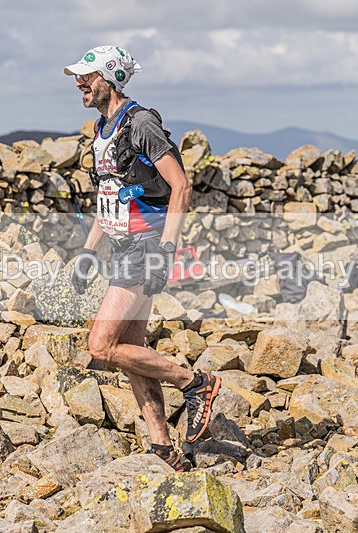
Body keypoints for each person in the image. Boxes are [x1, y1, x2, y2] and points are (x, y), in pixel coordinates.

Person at [63, 46, 221, 471]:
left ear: (110, 79)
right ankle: (163, 447)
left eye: (86, 76)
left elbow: (181, 186)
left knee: (101, 345)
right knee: (130, 348)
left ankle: (195, 383)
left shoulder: (141, 123)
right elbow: (108, 199)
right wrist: (86, 252)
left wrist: (167, 251)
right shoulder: (101, 129)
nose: (78, 83)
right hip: (121, 247)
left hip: (147, 246)